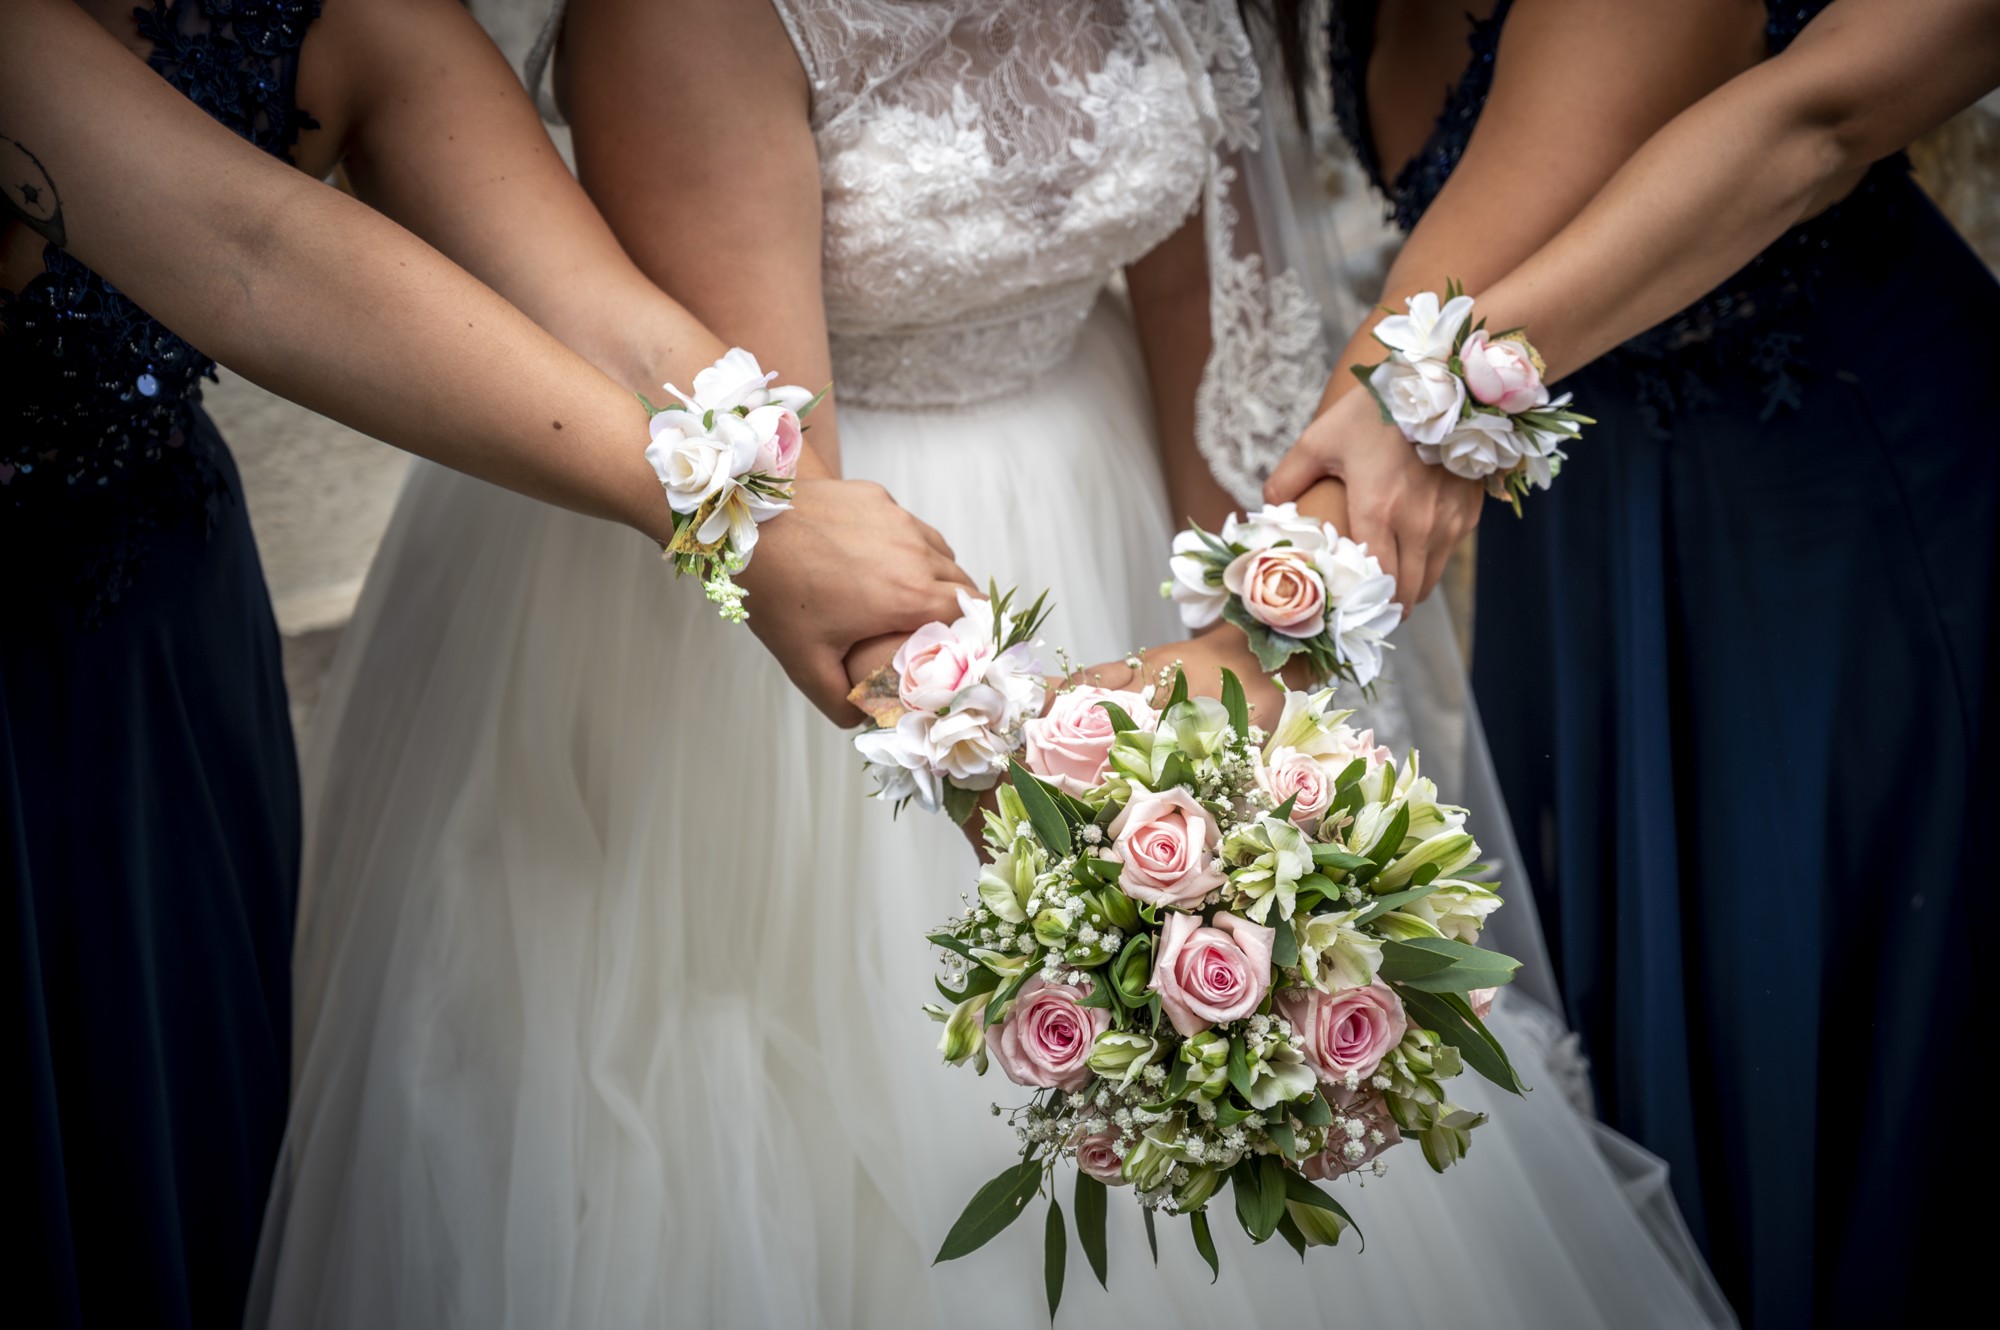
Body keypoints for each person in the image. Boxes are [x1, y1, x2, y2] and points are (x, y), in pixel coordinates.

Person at [254, 1, 1735, 1324]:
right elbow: (796, 507)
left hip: (1094, 488)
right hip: (804, 551)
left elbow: (1213, 333)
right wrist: (1083, 806)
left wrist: (1250, 648)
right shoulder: (687, 25)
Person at [0, 1, 965, 1323]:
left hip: (155, 667)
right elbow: (252, 246)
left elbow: (606, 321)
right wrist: (723, 521)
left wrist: (871, 592)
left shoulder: (349, 11)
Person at [1261, 0, 2000, 1321]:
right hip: (1584, 536)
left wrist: (1441, 405)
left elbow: (1812, 122)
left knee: (1836, 1070)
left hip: (1835, 513)